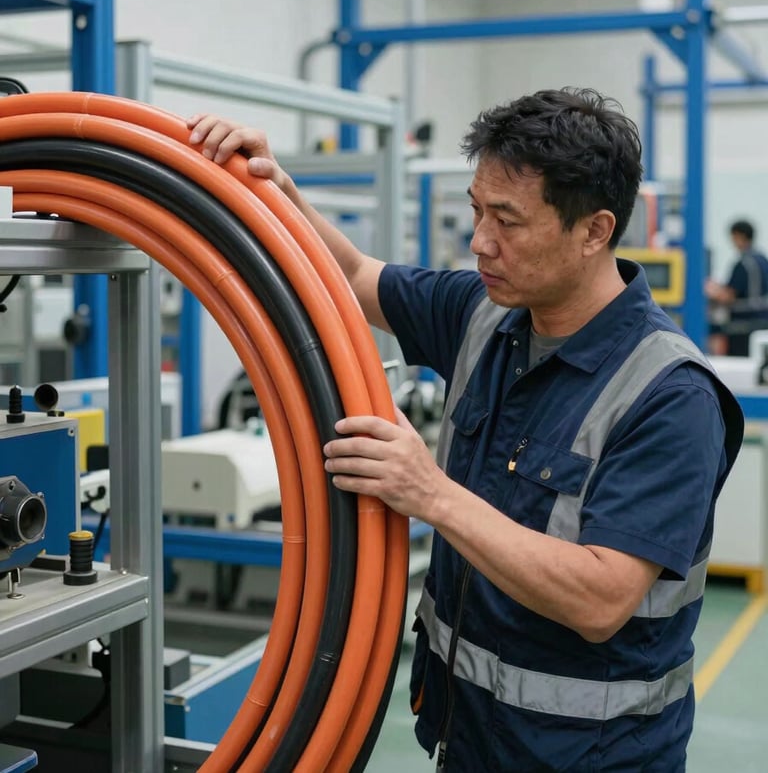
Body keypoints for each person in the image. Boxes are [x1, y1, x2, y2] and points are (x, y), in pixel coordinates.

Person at [187, 87, 744, 772]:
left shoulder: (669, 396)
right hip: (470, 740)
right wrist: (276, 190)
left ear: (594, 231)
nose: (481, 241)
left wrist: (430, 493)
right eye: (479, 211)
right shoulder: (487, 314)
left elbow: (601, 599)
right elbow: (356, 274)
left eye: (507, 220)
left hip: (589, 759)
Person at [705, 219, 768, 356]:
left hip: (742, 326)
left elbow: (729, 296)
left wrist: (708, 290)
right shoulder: (762, 259)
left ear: (739, 236)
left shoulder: (744, 263)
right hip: (763, 323)